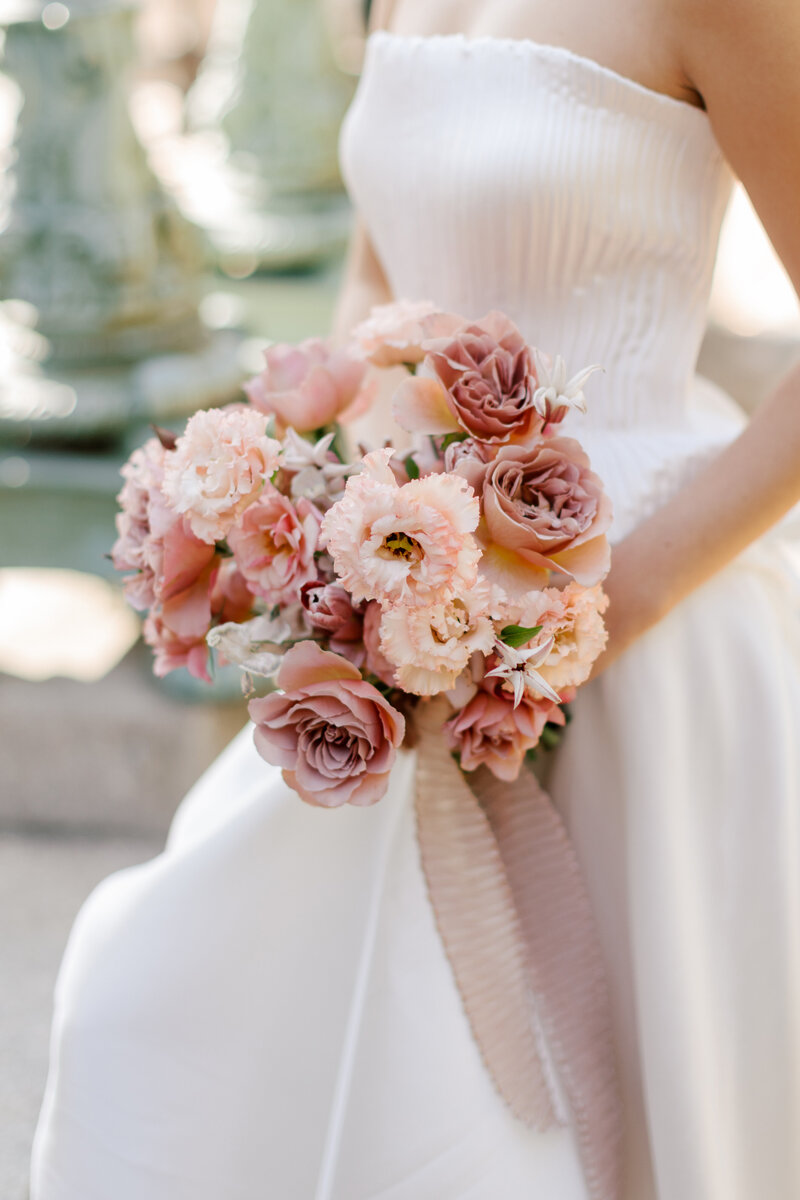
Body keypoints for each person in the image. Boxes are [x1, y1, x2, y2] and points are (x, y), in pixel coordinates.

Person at [31, 1, 800, 1197]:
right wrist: (300, 514)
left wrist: (591, 622)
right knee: (160, 1004)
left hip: (644, 617)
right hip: (397, 597)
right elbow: (378, 272)